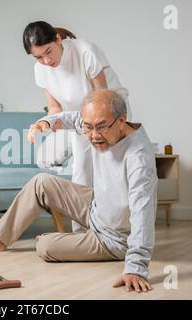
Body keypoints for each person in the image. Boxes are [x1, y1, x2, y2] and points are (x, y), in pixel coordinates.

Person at [0, 90, 157, 293]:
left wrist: (136, 268)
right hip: (96, 206)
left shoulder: (139, 158)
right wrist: (46, 122)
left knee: (45, 247)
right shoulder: (97, 124)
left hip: (115, 238)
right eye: (88, 127)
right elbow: (71, 118)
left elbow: (142, 214)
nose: (93, 135)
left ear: (121, 121)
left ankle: (59, 240)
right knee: (41, 182)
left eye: (100, 127)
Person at [23, 21, 131, 231]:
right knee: (81, 170)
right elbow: (54, 107)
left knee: (109, 166)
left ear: (57, 39)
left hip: (110, 110)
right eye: (38, 57)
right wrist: (45, 123)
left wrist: (98, 130)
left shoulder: (85, 52)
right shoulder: (41, 70)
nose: (46, 60)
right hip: (80, 116)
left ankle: (118, 229)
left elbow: (104, 99)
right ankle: (81, 231)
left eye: (48, 52)